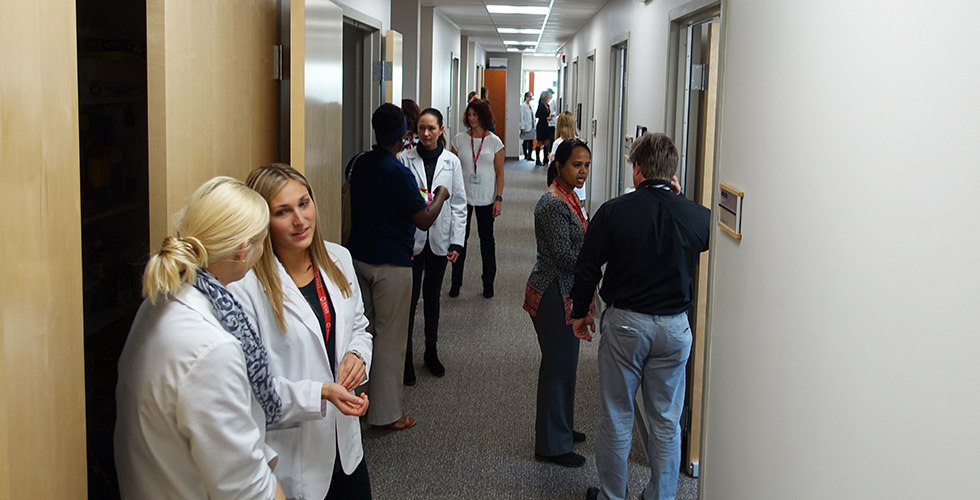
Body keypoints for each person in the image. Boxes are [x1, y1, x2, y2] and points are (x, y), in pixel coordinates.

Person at [115, 177, 287, 500]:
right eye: (263, 240)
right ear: (243, 252)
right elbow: (246, 490)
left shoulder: (162, 301)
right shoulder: (211, 348)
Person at [571, 133, 710, 500]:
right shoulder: (697, 216)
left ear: (636, 169)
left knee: (617, 414)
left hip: (627, 325)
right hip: (676, 328)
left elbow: (587, 267)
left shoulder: (616, 211)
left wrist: (579, 312)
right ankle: (660, 496)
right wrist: (678, 202)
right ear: (672, 172)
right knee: (666, 420)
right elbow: (693, 231)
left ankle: (612, 496)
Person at [231, 164, 373, 499]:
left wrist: (357, 354)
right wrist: (321, 392)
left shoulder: (338, 259)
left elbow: (360, 327)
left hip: (346, 447)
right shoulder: (246, 287)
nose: (300, 220)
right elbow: (251, 386)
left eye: (304, 203)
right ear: (262, 219)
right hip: (293, 456)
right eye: (283, 211)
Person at [346, 103, 450, 430]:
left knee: (361, 333)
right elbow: (423, 220)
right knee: (390, 340)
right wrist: (441, 196)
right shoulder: (399, 172)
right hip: (391, 264)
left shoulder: (357, 163)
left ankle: (356, 403)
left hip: (357, 257)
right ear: (404, 135)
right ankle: (387, 414)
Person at [524, 139, 594, 468]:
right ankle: (552, 445)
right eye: (576, 165)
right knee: (557, 368)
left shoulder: (570, 197)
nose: (582, 171)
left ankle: (561, 426)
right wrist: (598, 255)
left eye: (586, 165)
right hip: (553, 293)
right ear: (560, 167)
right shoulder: (553, 203)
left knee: (566, 366)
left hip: (566, 292)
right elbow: (565, 256)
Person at [397, 108, 467, 384]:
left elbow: (460, 204)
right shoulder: (404, 160)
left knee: (433, 297)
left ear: (441, 129)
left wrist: (457, 241)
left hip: (440, 238)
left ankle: (431, 351)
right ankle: (406, 357)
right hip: (411, 241)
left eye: (431, 128)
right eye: (421, 128)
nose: (426, 134)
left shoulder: (452, 162)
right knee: (409, 300)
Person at [448, 99, 505, 299]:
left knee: (486, 241)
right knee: (458, 240)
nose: (472, 119)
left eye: (475, 115)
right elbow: (451, 169)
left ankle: (488, 283)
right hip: (462, 198)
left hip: (487, 198)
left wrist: (498, 198)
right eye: (469, 115)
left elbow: (500, 173)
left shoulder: (494, 142)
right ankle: (456, 283)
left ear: (483, 116)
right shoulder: (459, 140)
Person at [547, 111, 587, 201]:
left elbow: (552, 168)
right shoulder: (581, 142)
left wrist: (550, 158)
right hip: (578, 185)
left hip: (563, 188)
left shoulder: (558, 143)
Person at [535, 90, 555, 166]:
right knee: (539, 143)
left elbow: (547, 114)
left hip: (546, 126)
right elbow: (537, 115)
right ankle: (537, 160)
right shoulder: (540, 105)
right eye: (547, 97)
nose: (548, 98)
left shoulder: (547, 105)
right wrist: (546, 118)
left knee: (547, 143)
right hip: (541, 126)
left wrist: (550, 116)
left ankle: (545, 159)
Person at [520, 91, 536, 162]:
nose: (531, 98)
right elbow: (522, 117)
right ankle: (525, 155)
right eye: (530, 96)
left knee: (531, 141)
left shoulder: (531, 105)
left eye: (531, 97)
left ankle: (530, 155)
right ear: (526, 97)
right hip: (526, 126)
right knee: (526, 141)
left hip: (532, 126)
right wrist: (522, 127)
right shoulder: (523, 106)